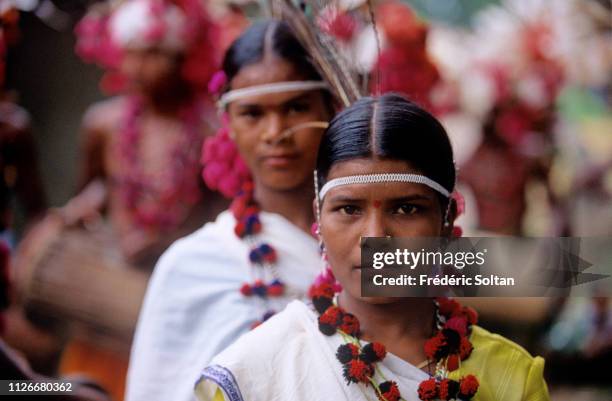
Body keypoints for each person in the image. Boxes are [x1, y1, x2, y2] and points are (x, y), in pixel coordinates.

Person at [195, 94, 550, 401]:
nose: (375, 237)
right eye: (349, 209)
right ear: (319, 217)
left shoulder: (509, 376)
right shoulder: (260, 369)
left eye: (406, 208)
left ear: (446, 219)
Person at [125, 20, 335, 401]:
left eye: (297, 108)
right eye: (253, 113)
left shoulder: (371, 239)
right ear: (229, 125)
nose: (275, 132)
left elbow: (473, 275)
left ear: (331, 108)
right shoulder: (190, 264)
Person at [68, 0, 225, 266]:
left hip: (185, 267)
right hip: (116, 272)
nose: (136, 68)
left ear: (180, 59)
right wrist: (84, 205)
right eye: (130, 54)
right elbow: (99, 185)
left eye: (151, 54)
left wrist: (166, 242)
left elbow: (222, 218)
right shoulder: (102, 124)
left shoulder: (208, 132)